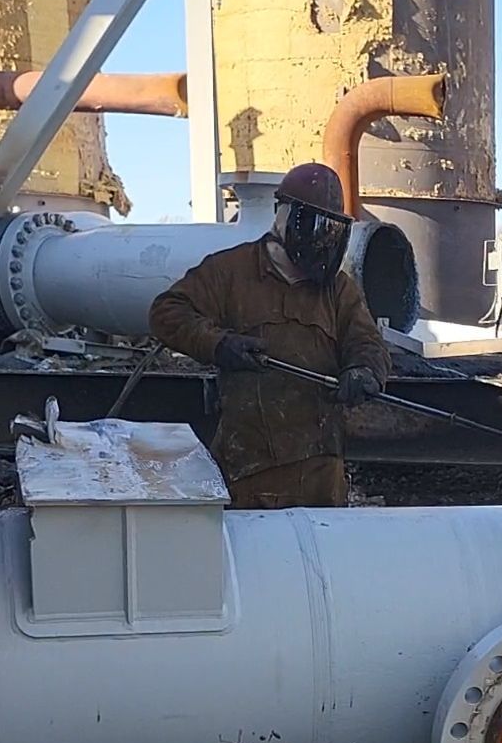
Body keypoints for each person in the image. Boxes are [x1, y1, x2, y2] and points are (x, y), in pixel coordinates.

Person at [149, 162, 390, 508]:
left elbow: (367, 342)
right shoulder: (230, 272)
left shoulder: (337, 290)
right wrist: (218, 344)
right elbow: (166, 312)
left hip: (321, 471)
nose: (321, 239)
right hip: (250, 467)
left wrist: (364, 371)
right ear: (284, 217)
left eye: (330, 230)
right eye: (313, 225)